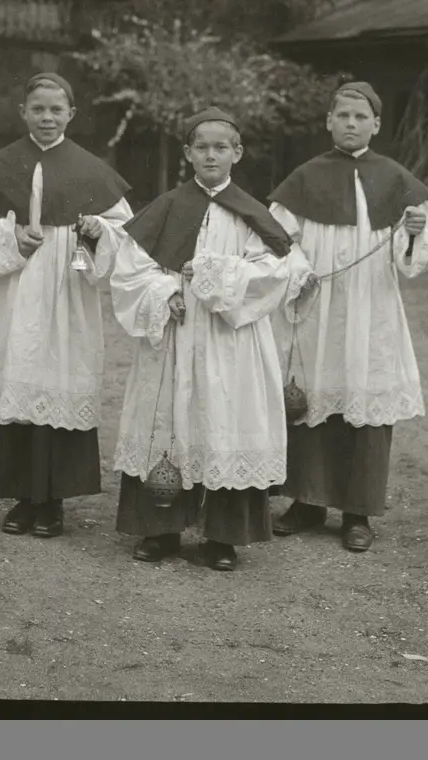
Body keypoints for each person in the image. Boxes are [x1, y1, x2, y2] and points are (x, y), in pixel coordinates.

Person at [109, 108, 314, 572]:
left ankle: (223, 536)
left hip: (230, 339)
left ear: (237, 153)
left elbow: (274, 272)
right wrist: (163, 294)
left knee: (225, 421)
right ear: (187, 153)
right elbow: (129, 272)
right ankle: (160, 530)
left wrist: (210, 275)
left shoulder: (252, 214)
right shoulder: (164, 207)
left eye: (221, 146)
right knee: (169, 420)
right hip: (176, 334)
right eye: (201, 146)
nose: (211, 154)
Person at [0, 73, 133, 539]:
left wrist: (96, 234)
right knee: (17, 379)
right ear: (23, 113)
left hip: (67, 297)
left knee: (58, 380)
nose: (47, 117)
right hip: (15, 294)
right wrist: (9, 237)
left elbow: (123, 237)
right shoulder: (0, 167)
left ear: (71, 114)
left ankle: (51, 502)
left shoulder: (92, 170)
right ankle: (19, 497)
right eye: (38, 109)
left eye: (57, 109)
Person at [267, 80, 428, 552]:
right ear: (329, 121)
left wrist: (412, 233)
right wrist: (296, 273)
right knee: (311, 396)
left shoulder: (396, 179)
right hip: (315, 308)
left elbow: (418, 256)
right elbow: (274, 241)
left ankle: (357, 512)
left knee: (365, 402)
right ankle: (306, 502)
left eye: (361, 117)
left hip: (371, 308)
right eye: (343, 116)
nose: (351, 124)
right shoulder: (304, 179)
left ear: (377, 125)